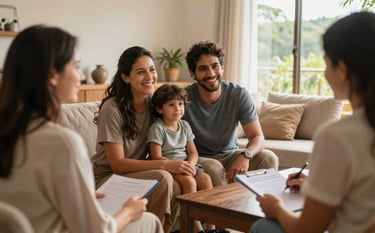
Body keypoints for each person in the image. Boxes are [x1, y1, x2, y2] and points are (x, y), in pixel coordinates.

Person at [0, 25, 162, 233]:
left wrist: (78, 196)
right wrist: (129, 211)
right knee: (147, 220)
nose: (80, 77)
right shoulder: (63, 142)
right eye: (76, 67)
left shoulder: (10, 130)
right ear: (53, 75)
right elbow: (98, 230)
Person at [249, 11, 375, 233]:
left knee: (263, 226)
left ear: (342, 69)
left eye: (326, 64)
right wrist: (313, 187)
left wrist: (276, 207)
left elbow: (306, 230)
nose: (325, 73)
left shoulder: (338, 136)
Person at [92, 46, 192, 232]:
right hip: (107, 176)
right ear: (125, 77)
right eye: (140, 72)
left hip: (136, 172)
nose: (150, 77)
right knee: (162, 176)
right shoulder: (112, 109)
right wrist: (165, 165)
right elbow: (117, 164)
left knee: (195, 172)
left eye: (152, 70)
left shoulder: (154, 104)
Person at [183, 41, 279, 186]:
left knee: (269, 158)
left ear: (222, 67)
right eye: (203, 68)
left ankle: (261, 206)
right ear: (192, 73)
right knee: (214, 168)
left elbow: (257, 137)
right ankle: (225, 208)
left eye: (215, 66)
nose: (211, 73)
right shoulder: (182, 98)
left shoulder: (238, 93)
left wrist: (245, 155)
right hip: (200, 158)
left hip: (230, 154)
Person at [147, 84, 223, 233]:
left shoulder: (185, 125)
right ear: (159, 109)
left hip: (188, 165)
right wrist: (177, 166)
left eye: (180, 104)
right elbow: (155, 156)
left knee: (206, 179)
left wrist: (191, 165)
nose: (178, 109)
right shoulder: (157, 128)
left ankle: (211, 228)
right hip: (170, 166)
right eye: (171, 105)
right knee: (189, 182)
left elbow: (193, 152)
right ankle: (195, 228)